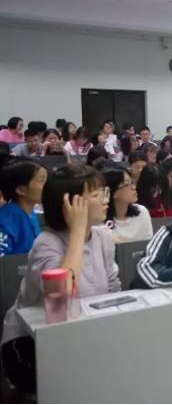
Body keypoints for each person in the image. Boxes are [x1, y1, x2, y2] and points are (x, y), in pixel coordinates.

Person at [2, 164, 120, 395]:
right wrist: (77, 231)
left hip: (84, 333)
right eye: (96, 195)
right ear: (69, 205)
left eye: (105, 192)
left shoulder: (102, 237)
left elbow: (113, 288)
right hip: (32, 342)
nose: (106, 200)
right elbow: (61, 299)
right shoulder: (46, 243)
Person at [0, 160, 47, 256]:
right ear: (21, 190)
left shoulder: (30, 213)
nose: (48, 186)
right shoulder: (6, 221)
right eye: (42, 181)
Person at [103, 168, 153, 243]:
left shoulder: (142, 212)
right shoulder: (102, 223)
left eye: (132, 183)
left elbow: (149, 244)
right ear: (113, 193)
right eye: (127, 185)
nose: (134, 187)